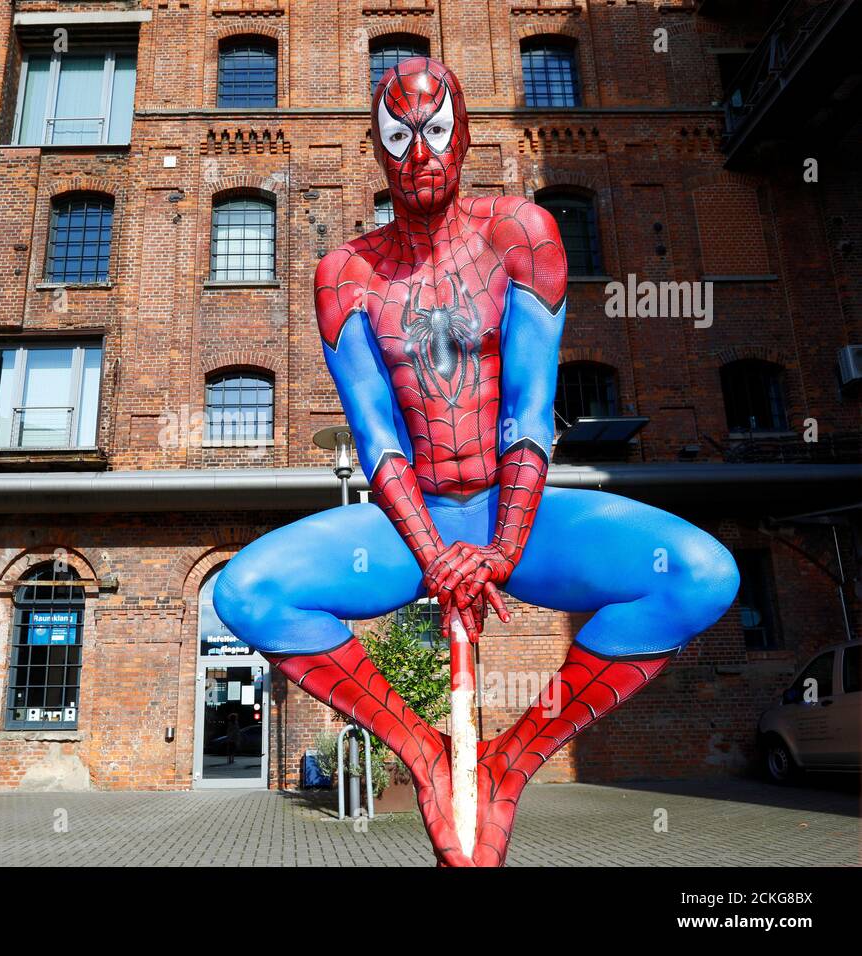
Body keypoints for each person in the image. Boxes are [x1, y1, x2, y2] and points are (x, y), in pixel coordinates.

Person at [213, 57, 739, 866]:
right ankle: (427, 755)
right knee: (247, 591)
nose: (420, 152)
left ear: (462, 137)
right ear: (377, 152)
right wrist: (437, 557)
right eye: (399, 136)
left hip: (515, 513)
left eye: (435, 130)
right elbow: (375, 436)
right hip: (408, 520)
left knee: (701, 575)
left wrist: (498, 550)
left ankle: (513, 761)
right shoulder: (344, 276)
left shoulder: (520, 233)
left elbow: (531, 407)